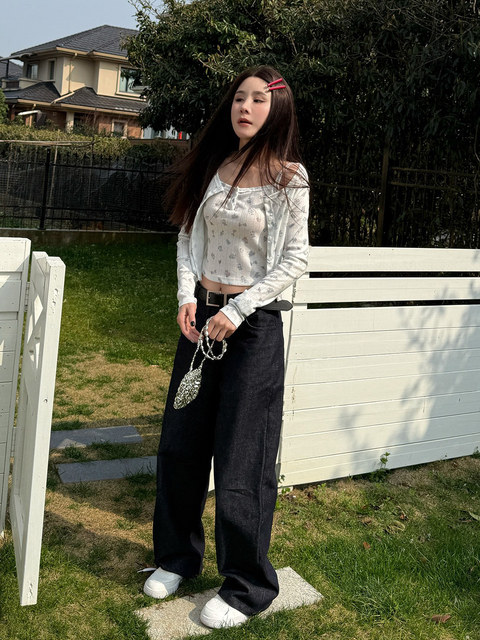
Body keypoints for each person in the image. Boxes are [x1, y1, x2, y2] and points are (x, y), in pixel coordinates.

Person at [143, 65, 310, 629]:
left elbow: (295, 259)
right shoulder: (215, 167)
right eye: (240, 98)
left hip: (252, 329)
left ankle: (246, 586)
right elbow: (187, 237)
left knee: (243, 456)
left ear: (277, 109)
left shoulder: (290, 179)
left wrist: (237, 311)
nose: (245, 107)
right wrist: (186, 297)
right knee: (181, 443)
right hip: (201, 323)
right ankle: (176, 558)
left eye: (259, 100)